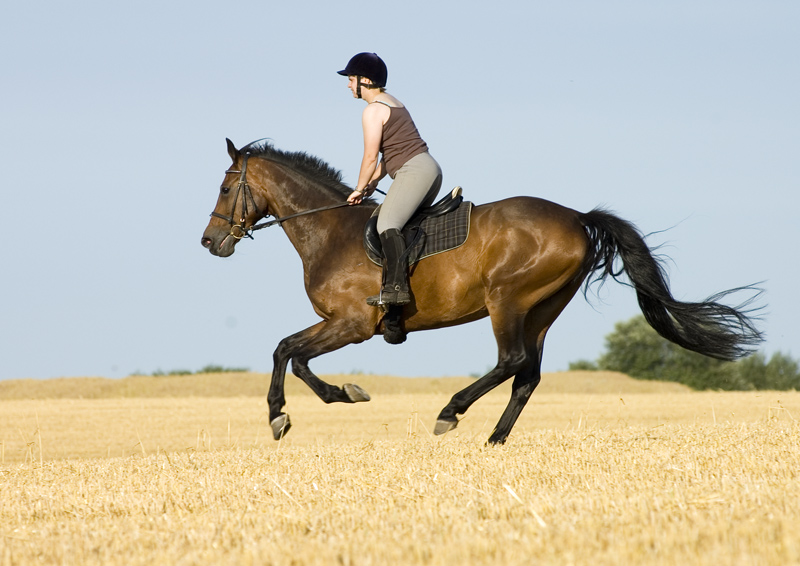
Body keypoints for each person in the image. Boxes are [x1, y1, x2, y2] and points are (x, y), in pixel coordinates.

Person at [339, 52, 443, 307]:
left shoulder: (373, 110)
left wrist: (359, 188)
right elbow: (391, 154)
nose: (349, 84)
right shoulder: (392, 102)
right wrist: (373, 183)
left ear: (364, 80)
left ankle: (396, 290)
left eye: (351, 79)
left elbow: (370, 156)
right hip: (427, 169)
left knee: (386, 223)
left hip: (415, 171)